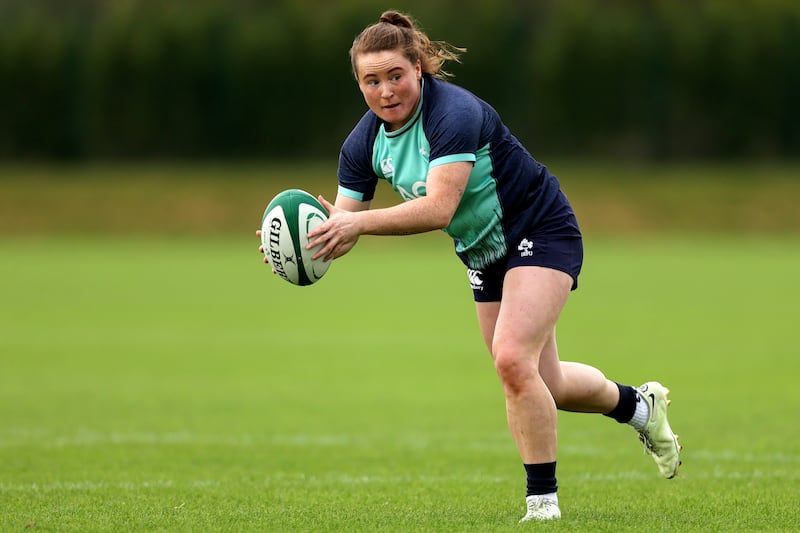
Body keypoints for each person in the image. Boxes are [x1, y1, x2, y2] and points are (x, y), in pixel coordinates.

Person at [259, 10, 682, 523]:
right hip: (483, 252)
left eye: (395, 75)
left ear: (418, 68)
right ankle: (640, 408)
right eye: (372, 80)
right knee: (544, 381)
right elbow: (344, 225)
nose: (385, 90)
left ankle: (542, 506)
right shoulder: (362, 143)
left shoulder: (453, 113)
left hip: (540, 227)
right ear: (359, 84)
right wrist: (303, 244)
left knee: (512, 360)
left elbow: (439, 208)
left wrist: (356, 225)